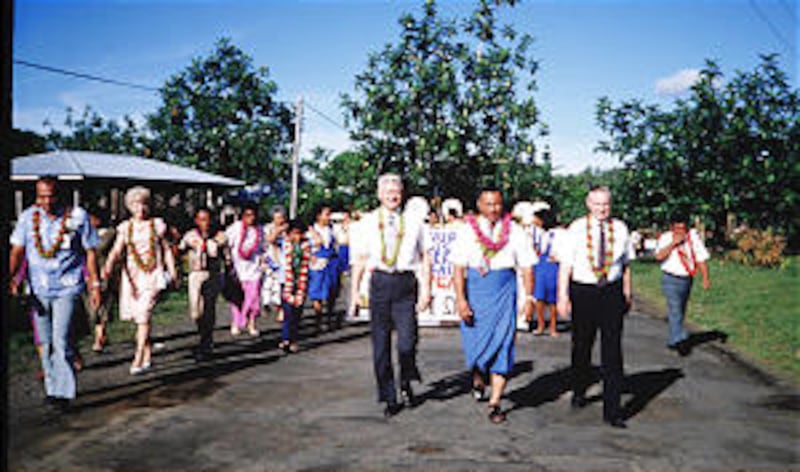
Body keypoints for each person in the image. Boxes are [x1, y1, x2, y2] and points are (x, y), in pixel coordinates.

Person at [9, 177, 101, 409]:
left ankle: (64, 393)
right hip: (38, 289)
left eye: (51, 196)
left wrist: (95, 284)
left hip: (68, 286)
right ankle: (52, 387)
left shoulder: (78, 217)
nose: (47, 201)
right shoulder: (28, 218)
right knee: (45, 342)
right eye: (42, 196)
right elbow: (18, 250)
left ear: (60, 195)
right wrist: (10, 277)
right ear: (36, 196)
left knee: (61, 339)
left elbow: (90, 252)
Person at [349, 174, 432, 418]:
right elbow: (360, 259)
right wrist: (354, 292)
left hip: (406, 283)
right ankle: (388, 396)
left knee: (407, 342)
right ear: (379, 195)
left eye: (396, 191)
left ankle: (406, 379)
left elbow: (426, 256)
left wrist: (427, 289)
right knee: (381, 346)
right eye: (387, 192)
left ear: (402, 194)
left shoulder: (415, 221)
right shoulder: (367, 221)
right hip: (381, 283)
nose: (392, 195)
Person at [451, 188, 536, 424]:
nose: (493, 209)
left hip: (504, 291)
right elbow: (458, 268)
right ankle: (478, 375)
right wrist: (461, 299)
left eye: (497, 204)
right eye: (488, 204)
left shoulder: (516, 231)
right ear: (479, 204)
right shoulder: (466, 230)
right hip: (476, 290)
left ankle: (495, 402)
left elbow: (528, 267)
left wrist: (529, 299)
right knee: (476, 346)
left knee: (504, 343)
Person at [557, 186, 635, 429]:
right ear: (588, 204)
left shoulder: (620, 229)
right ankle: (579, 387)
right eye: (597, 204)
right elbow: (565, 265)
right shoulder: (576, 229)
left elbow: (625, 264)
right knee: (582, 344)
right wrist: (562, 296)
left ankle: (613, 410)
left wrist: (627, 291)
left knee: (612, 350)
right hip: (584, 290)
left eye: (606, 204)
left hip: (611, 291)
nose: (602, 209)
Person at [103, 186, 178, 375]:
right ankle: (147, 354)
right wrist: (108, 267)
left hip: (152, 274)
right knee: (140, 318)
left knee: (143, 313)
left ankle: (137, 357)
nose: (141, 209)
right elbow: (116, 251)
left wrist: (173, 271)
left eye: (144, 204)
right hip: (132, 276)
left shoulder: (157, 225)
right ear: (129, 206)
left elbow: (167, 250)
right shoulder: (125, 227)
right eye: (136, 205)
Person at [654, 214, 711, 355]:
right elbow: (659, 256)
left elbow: (701, 258)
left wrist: (705, 278)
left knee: (681, 308)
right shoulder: (666, 237)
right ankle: (680, 338)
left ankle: (674, 340)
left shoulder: (693, 237)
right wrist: (673, 244)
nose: (680, 231)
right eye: (677, 228)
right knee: (675, 308)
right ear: (672, 227)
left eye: (683, 228)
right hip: (670, 278)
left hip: (687, 279)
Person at [179, 207, 226, 361]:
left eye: (207, 219)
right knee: (196, 310)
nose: (204, 223)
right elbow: (180, 249)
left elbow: (224, 253)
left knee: (209, 308)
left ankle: (206, 340)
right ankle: (202, 332)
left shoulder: (219, 236)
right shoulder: (190, 235)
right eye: (201, 219)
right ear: (196, 221)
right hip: (196, 274)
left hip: (212, 274)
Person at [225, 202, 264, 337]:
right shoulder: (235, 228)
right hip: (238, 270)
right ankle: (236, 322)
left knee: (253, 299)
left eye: (253, 215)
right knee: (237, 298)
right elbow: (226, 243)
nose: (251, 218)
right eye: (247, 215)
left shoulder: (259, 230)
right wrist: (228, 259)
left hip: (254, 269)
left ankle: (251, 322)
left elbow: (263, 248)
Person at [84, 208, 117, 353]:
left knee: (103, 303)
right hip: (86, 273)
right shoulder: (84, 234)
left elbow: (110, 252)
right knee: (90, 306)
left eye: (93, 218)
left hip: (104, 272)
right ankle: (98, 333)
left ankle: (100, 336)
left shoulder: (109, 233)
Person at [279, 219, 312, 354]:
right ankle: (286, 338)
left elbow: (319, 241)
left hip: (301, 284)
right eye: (293, 234)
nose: (296, 237)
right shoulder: (283, 245)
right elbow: (270, 240)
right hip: (286, 282)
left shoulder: (306, 246)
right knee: (288, 312)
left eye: (299, 234)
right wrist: (281, 229)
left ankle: (294, 339)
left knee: (297, 313)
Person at [307, 204, 339, 333]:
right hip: (317, 262)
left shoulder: (332, 229)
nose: (328, 217)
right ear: (318, 216)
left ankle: (329, 316)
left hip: (331, 262)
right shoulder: (311, 230)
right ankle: (318, 319)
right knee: (317, 292)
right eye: (326, 214)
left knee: (332, 290)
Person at [531, 208, 561, 337]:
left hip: (553, 266)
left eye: (537, 218)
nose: (534, 221)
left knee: (553, 297)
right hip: (540, 265)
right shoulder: (538, 233)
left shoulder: (559, 233)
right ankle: (541, 324)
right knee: (539, 296)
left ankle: (553, 326)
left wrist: (558, 256)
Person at [263, 205, 289, 322]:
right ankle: (266, 305)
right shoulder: (267, 228)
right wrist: (277, 231)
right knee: (267, 285)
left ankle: (280, 310)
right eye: (277, 217)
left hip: (283, 261)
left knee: (280, 287)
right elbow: (269, 240)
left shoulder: (288, 229)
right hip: (269, 259)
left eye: (281, 217)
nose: (280, 220)